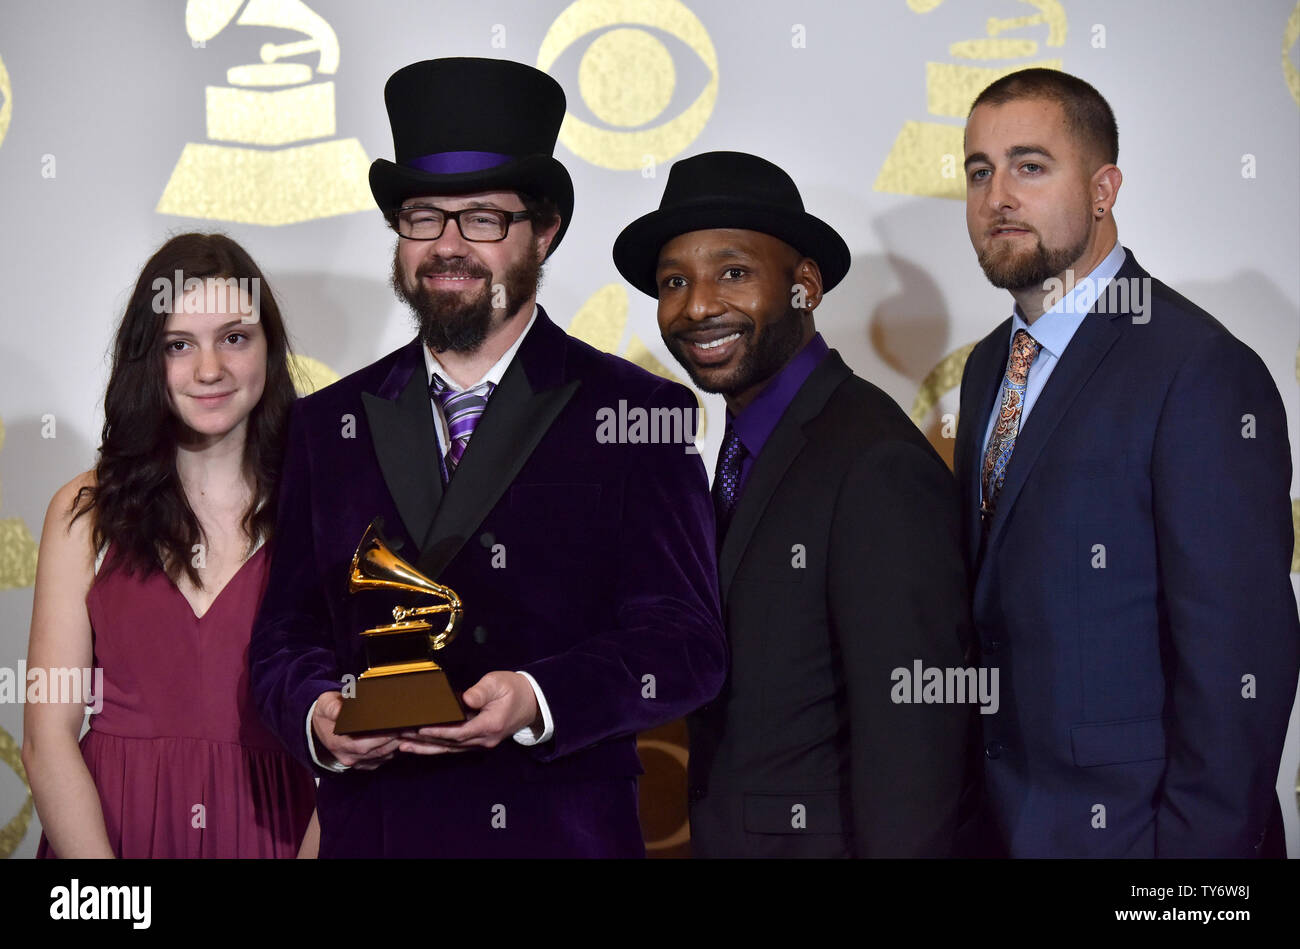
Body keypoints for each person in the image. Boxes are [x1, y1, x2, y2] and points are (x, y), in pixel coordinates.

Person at [248, 57, 726, 858]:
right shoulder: (324, 423)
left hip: (558, 835)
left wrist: (537, 697)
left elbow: (685, 645)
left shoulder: (640, 415)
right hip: (377, 834)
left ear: (544, 231)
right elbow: (282, 640)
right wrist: (316, 716)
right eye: (424, 216)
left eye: (482, 219)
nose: (447, 246)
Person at [955, 67, 1300, 857]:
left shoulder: (1199, 367)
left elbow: (1239, 662)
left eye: (1030, 166)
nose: (997, 195)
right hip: (1001, 828)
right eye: (980, 170)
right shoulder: (986, 368)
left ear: (1104, 187)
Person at [613, 151, 974, 857]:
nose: (698, 306)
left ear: (804, 285)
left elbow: (915, 747)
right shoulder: (738, 443)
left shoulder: (875, 461)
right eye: (673, 282)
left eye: (734, 272)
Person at [23, 233, 316, 858]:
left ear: (270, 345)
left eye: (234, 337)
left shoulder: (322, 510)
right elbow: (47, 740)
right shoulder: (84, 512)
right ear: (145, 360)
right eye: (178, 345)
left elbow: (356, 748)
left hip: (275, 838)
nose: (209, 369)